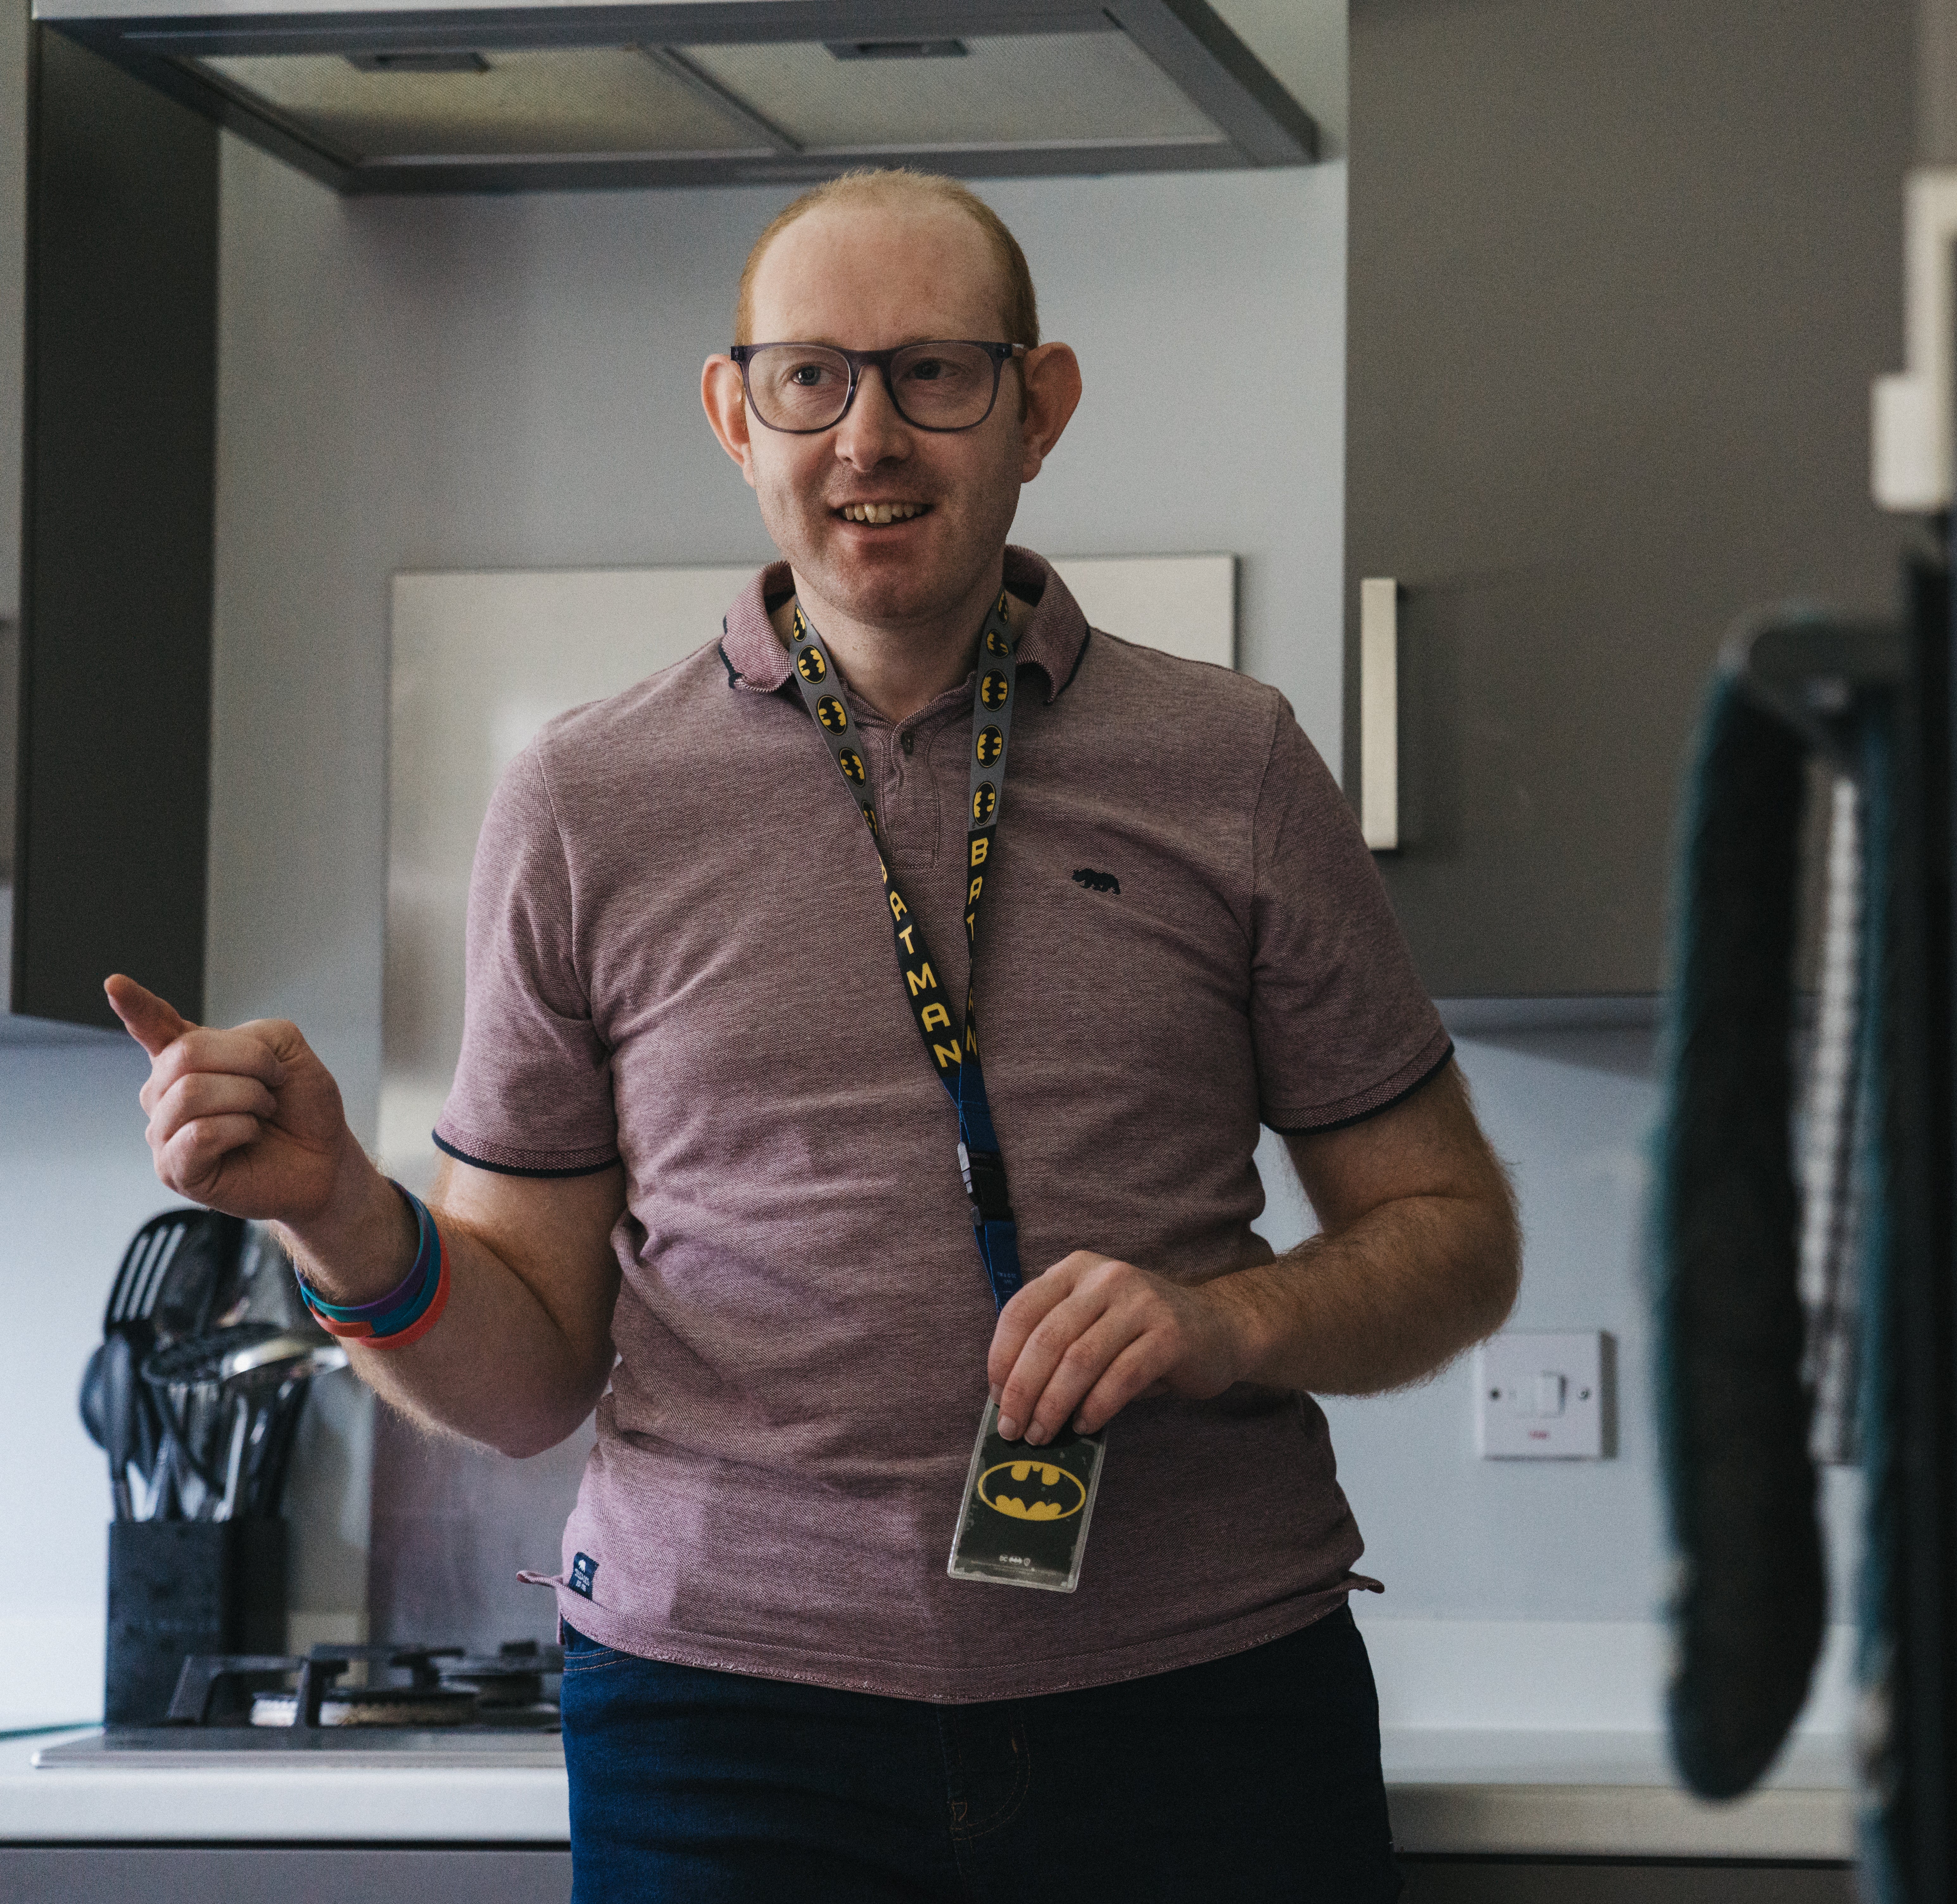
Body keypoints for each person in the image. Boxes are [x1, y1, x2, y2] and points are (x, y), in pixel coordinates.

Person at [109, 168, 1520, 1901]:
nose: (871, 436)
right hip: (727, 1731)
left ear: (1041, 404)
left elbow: (1452, 1241)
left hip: (1204, 1700)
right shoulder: (581, 799)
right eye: (812, 377)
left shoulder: (1233, 764)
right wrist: (336, 1208)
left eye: (937, 372)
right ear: (735, 411)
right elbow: (532, 1372)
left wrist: (1221, 1326)